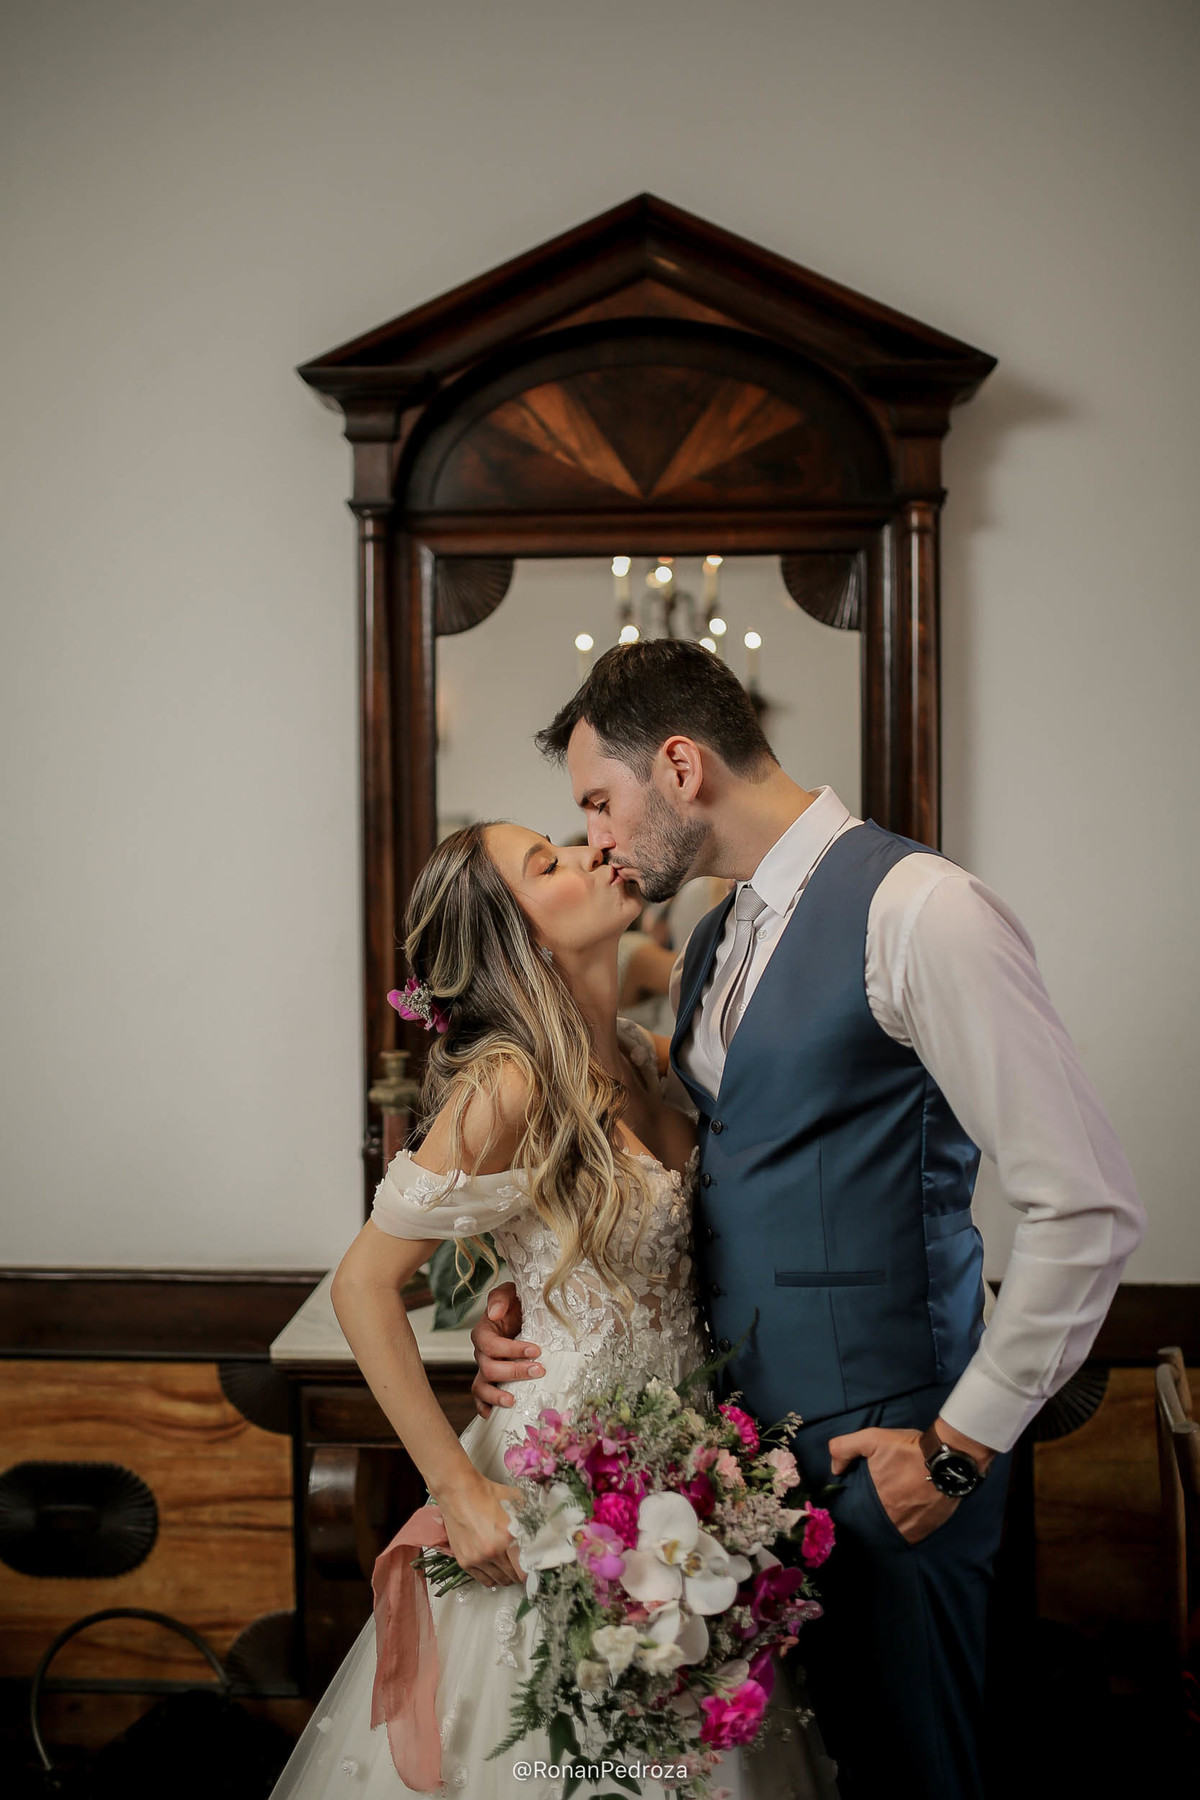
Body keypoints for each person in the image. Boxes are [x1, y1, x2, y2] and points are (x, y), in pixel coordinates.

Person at [469, 638, 1146, 1800]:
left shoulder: (924, 911)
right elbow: (711, 1172)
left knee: (921, 1778)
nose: (596, 837)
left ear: (681, 767)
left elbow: (1086, 1204)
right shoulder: (709, 941)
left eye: (598, 801)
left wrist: (960, 1447)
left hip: (899, 1460)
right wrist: (533, 1297)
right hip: (746, 1481)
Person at [269, 820, 828, 1800]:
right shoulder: (512, 1082)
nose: (588, 851)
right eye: (548, 862)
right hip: (558, 1486)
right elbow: (362, 1286)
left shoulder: (643, 1057)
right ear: (517, 937)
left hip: (676, 1472)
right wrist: (455, 1488)